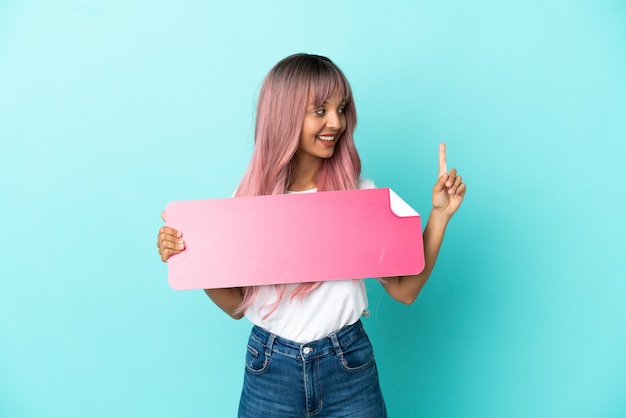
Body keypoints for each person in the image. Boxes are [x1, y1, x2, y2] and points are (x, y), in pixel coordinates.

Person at [156, 53, 466, 417]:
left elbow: (405, 290)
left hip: (348, 365)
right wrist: (193, 258)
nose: (336, 121)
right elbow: (235, 307)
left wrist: (440, 216)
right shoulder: (247, 204)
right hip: (270, 368)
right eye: (320, 110)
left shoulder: (360, 195)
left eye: (341, 108)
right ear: (285, 115)